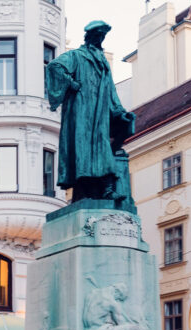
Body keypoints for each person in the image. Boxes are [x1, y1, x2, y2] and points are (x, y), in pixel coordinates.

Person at [45, 20, 135, 205]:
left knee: (102, 150)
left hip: (99, 115)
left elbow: (111, 90)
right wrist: (71, 83)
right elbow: (54, 66)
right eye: (97, 36)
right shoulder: (77, 56)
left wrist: (119, 111)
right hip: (81, 114)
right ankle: (87, 191)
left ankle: (108, 190)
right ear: (89, 38)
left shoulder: (103, 63)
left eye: (102, 36)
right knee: (83, 152)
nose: (100, 39)